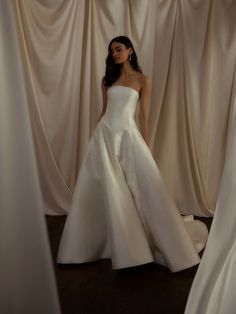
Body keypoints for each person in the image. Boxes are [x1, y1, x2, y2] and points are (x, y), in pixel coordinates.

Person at [57, 36, 208, 272]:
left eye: (118, 49)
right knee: (107, 190)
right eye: (111, 50)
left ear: (130, 51)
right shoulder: (108, 80)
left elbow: (144, 116)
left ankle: (140, 244)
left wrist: (145, 145)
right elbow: (104, 111)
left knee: (141, 188)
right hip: (104, 135)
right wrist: (94, 138)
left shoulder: (143, 80)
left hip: (128, 136)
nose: (114, 53)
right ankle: (107, 243)